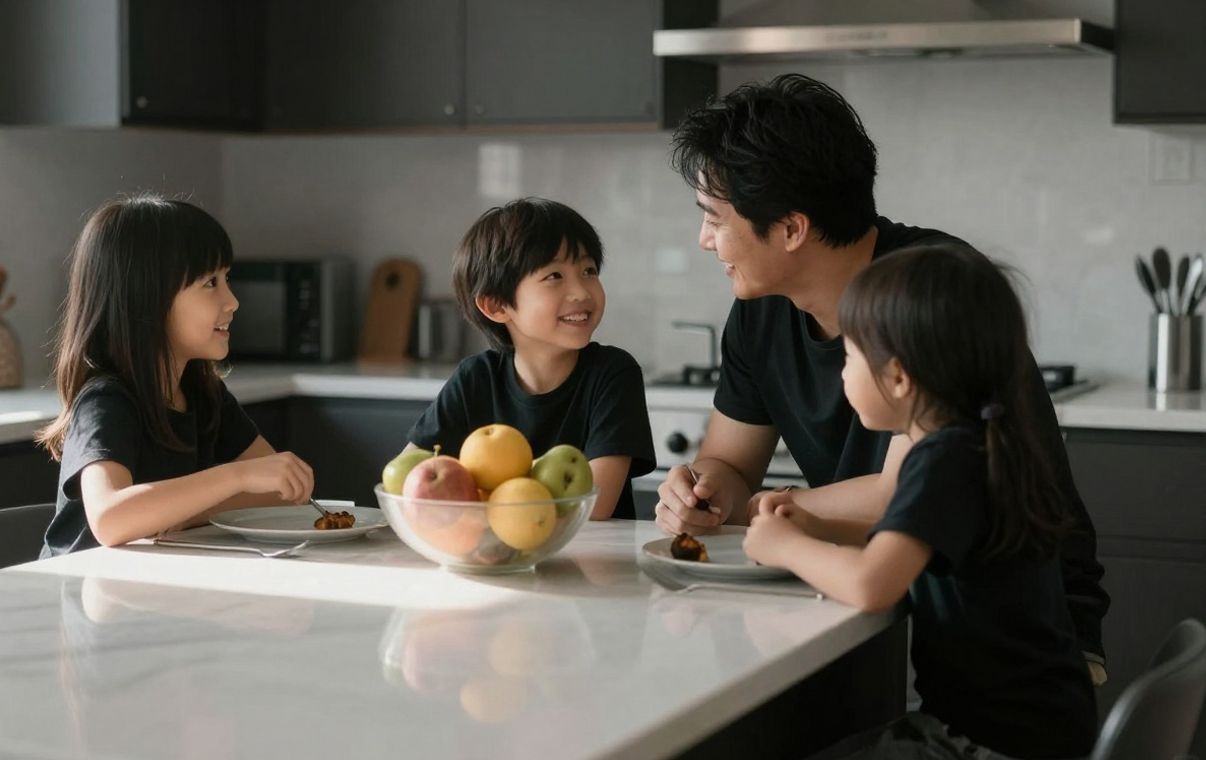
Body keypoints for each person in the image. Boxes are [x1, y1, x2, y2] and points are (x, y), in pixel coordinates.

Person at [655, 73, 1109, 679]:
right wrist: (704, 496)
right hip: (890, 610)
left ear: (792, 228)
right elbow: (729, 468)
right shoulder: (759, 310)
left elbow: (910, 487)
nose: (705, 240)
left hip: (1004, 644)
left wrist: (780, 513)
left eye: (714, 218)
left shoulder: (932, 293)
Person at [745, 245, 1097, 760]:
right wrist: (818, 525)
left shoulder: (945, 460)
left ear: (900, 377)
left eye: (849, 357)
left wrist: (787, 546)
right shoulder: (977, 440)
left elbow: (873, 583)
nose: (842, 375)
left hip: (992, 749)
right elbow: (906, 541)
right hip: (1035, 732)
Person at [36, 194, 315, 556]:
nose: (233, 301)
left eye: (225, 278)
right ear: (148, 298)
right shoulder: (106, 401)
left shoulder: (203, 393)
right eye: (210, 283)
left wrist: (187, 513)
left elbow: (282, 492)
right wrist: (236, 478)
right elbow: (110, 519)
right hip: (86, 598)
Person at [406, 197, 655, 520]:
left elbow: (594, 506)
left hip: (594, 564)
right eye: (554, 276)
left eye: (588, 270)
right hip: (491, 559)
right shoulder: (475, 378)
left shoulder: (613, 373)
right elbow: (408, 483)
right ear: (497, 306)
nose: (581, 291)